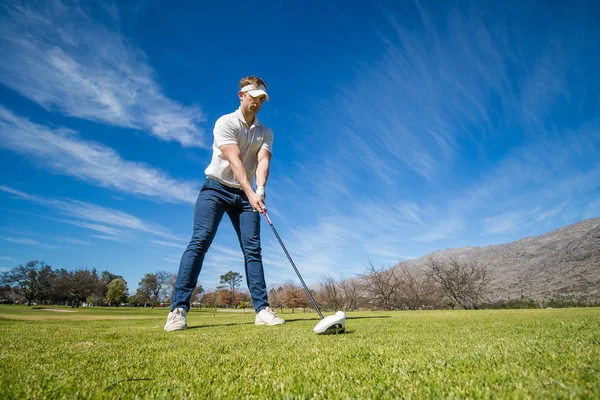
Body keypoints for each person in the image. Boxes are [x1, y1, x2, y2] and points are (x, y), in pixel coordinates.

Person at [164, 76, 285, 331]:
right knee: (201, 240)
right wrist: (251, 191)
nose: (258, 102)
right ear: (241, 95)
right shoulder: (225, 123)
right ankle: (178, 310)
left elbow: (263, 162)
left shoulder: (266, 132)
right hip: (216, 188)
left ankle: (262, 309)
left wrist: (260, 190)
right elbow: (235, 161)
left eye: (262, 98)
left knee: (253, 250)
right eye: (254, 96)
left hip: (245, 196)